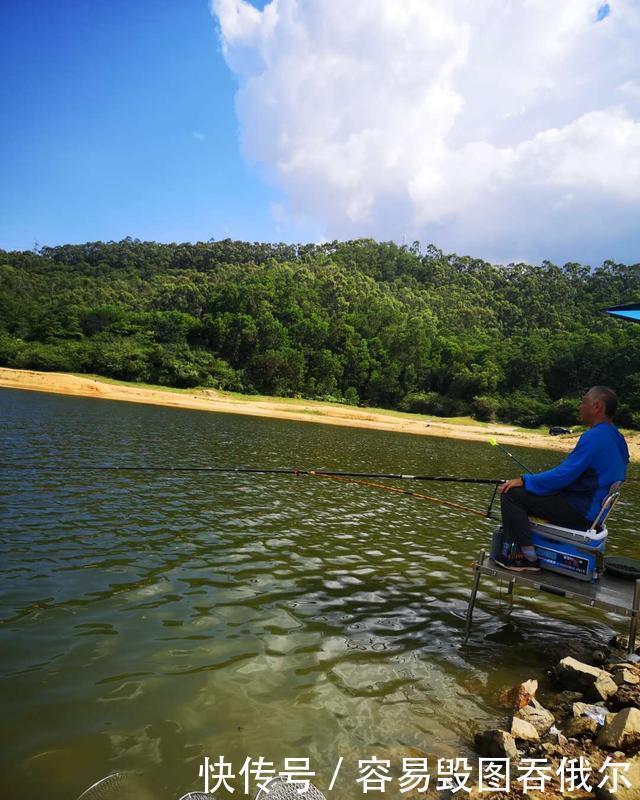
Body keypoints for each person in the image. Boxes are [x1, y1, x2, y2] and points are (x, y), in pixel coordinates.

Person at [495, 386, 629, 572]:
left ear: (597, 407)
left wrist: (525, 480)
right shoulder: (618, 438)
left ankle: (525, 557)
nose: (580, 407)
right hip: (594, 514)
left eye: (583, 402)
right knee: (527, 493)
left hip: (580, 512)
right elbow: (582, 478)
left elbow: (563, 475)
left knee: (512, 494)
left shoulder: (595, 437)